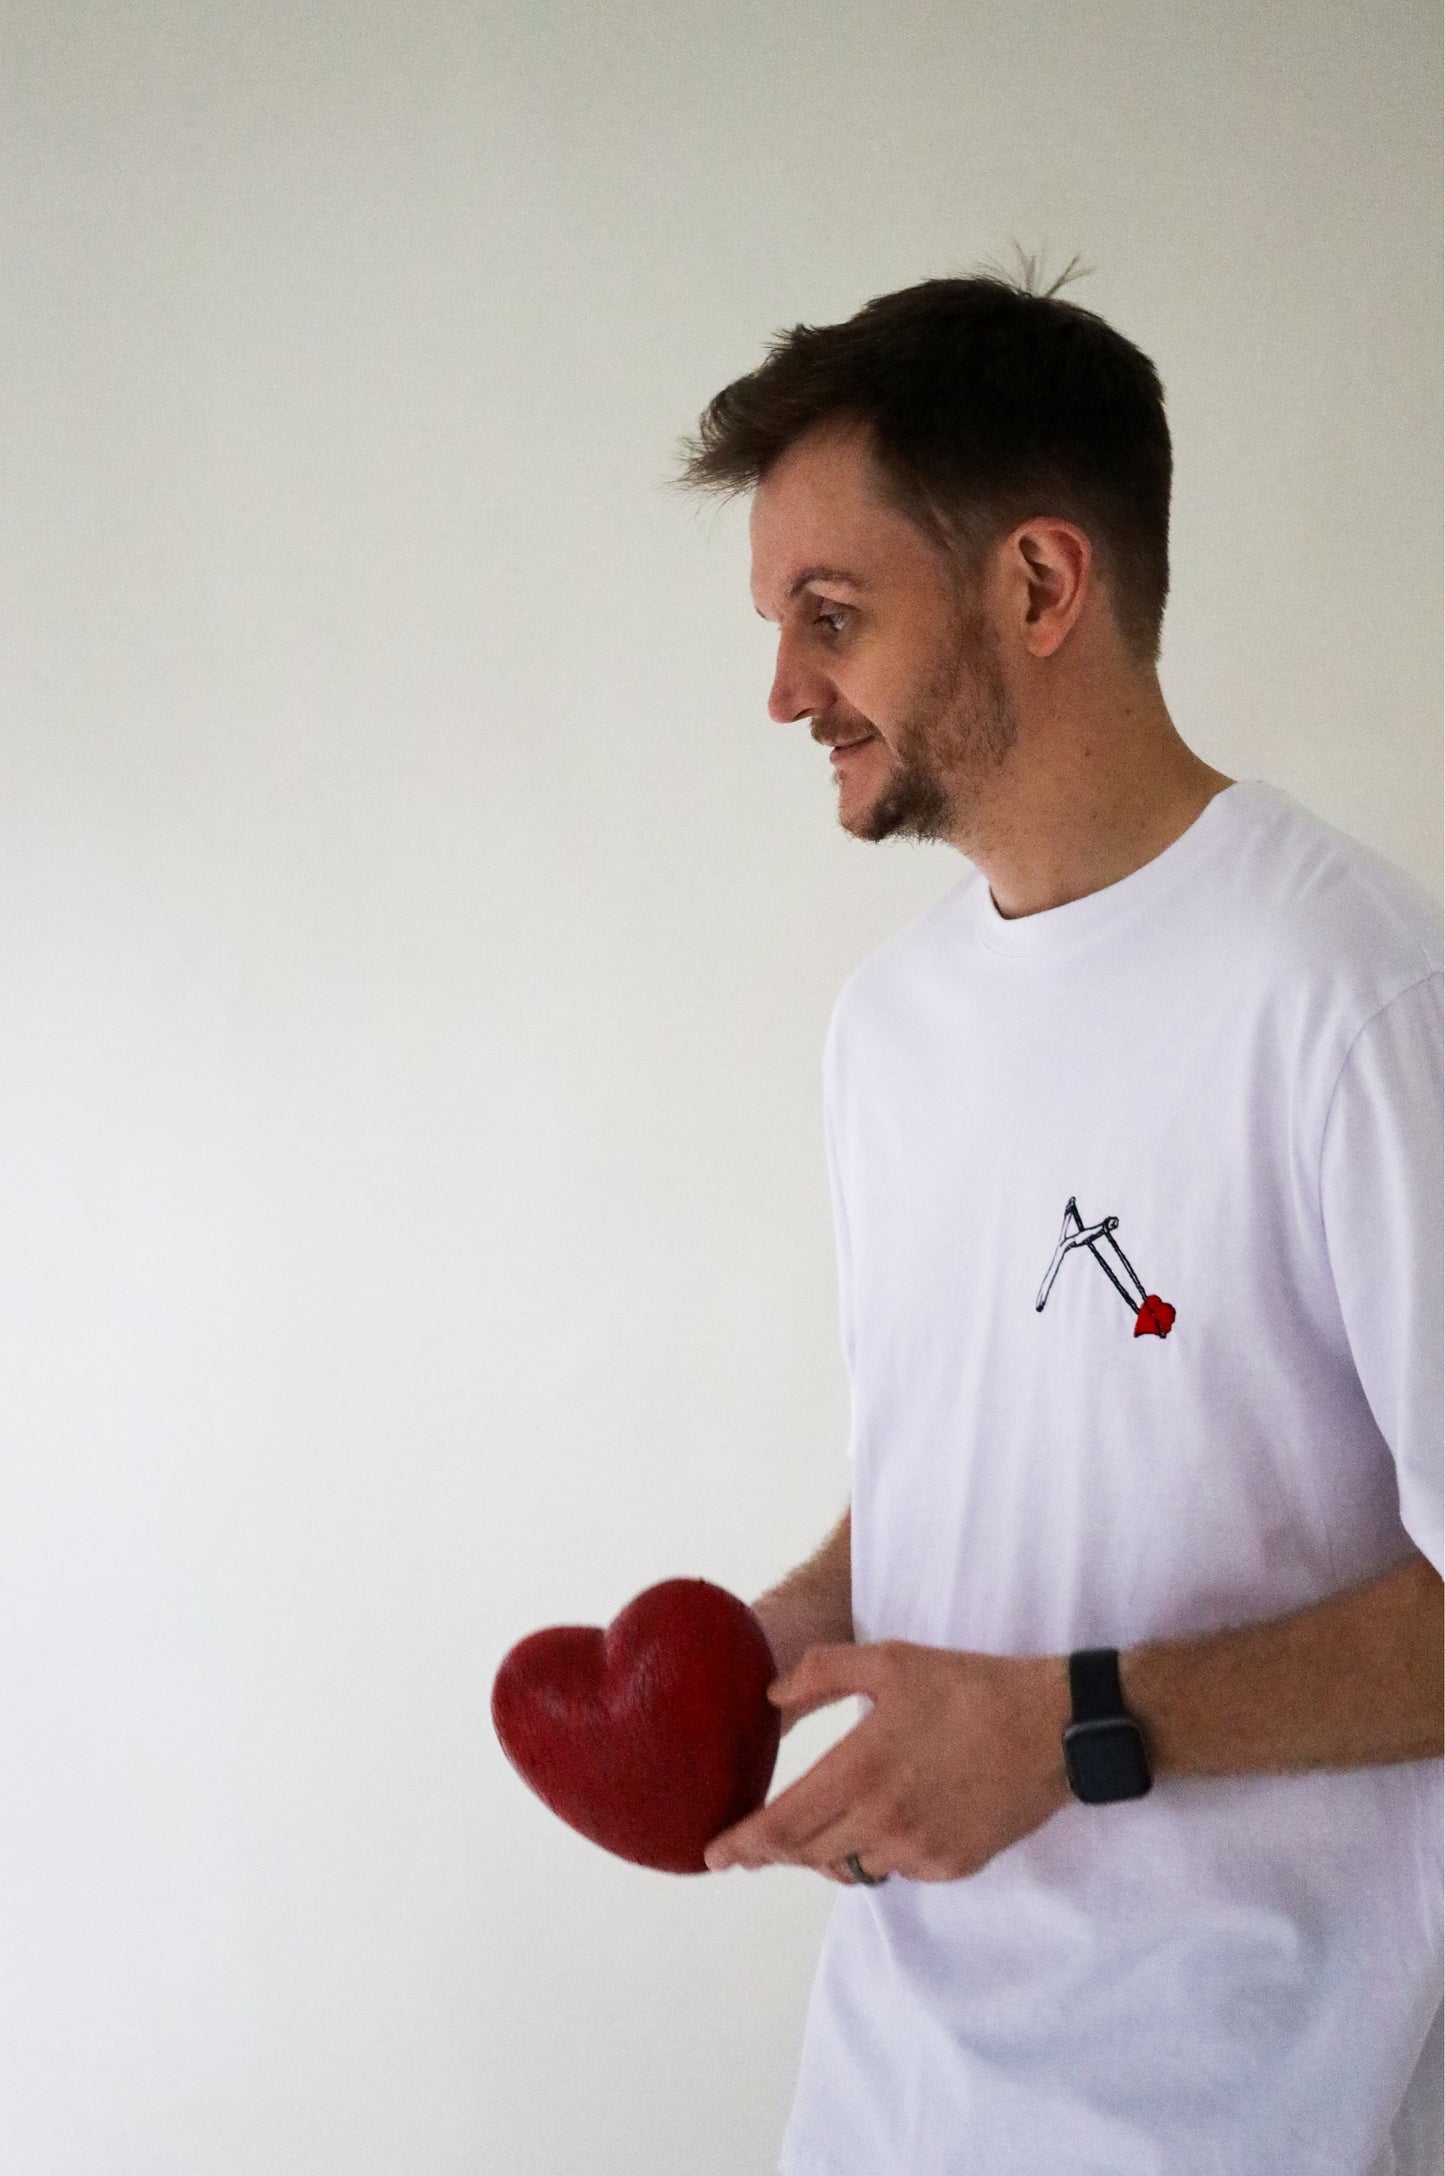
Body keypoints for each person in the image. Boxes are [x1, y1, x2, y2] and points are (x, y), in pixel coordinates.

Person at [680, 268, 1444, 2175]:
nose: (783, 692)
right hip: (884, 2098)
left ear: (1037, 584)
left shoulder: (1349, 999)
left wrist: (1072, 1724)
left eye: (830, 615)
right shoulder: (887, 1034)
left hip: (1243, 2115)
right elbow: (1004, 1439)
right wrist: (798, 1616)